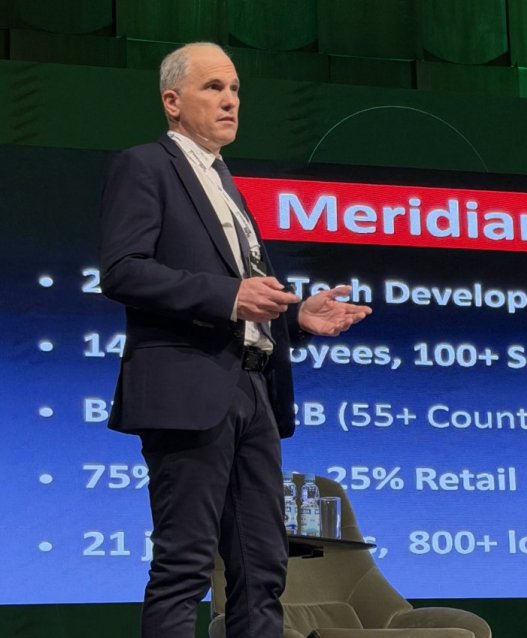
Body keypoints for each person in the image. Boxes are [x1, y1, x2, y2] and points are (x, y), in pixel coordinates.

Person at [99, 42, 371, 638]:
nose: (230, 101)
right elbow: (122, 271)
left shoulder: (225, 181)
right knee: (185, 565)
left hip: (253, 389)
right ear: (173, 102)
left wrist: (296, 320)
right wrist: (229, 297)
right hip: (187, 388)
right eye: (213, 87)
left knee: (263, 568)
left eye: (235, 89)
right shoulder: (145, 166)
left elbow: (244, 294)